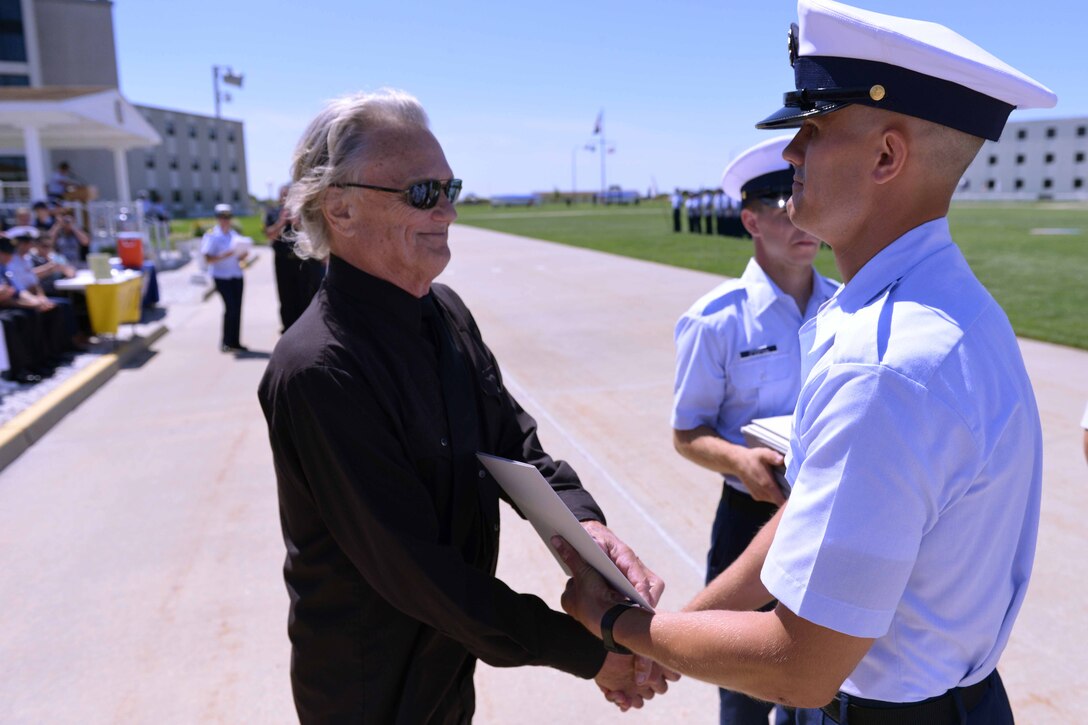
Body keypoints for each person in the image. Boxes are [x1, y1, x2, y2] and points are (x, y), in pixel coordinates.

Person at [558, 2, 1054, 723]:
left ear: (887, 157)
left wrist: (617, 628)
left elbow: (800, 666)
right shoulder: (941, 309)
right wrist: (679, 633)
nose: (791, 152)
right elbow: (810, 526)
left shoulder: (885, 365)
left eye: (814, 128)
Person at [257, 88, 673, 723]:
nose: (448, 211)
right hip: (370, 686)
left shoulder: (444, 311)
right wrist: (593, 651)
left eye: (451, 188)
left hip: (448, 659)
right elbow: (415, 571)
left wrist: (589, 536)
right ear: (339, 209)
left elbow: (513, 445)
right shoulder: (318, 368)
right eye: (424, 193)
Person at [672, 135, 839, 725]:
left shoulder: (848, 310)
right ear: (750, 219)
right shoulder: (715, 321)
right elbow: (687, 432)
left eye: (805, 196)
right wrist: (741, 461)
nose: (799, 215)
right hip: (749, 521)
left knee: (827, 680)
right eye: (779, 201)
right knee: (742, 685)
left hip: (830, 522)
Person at [264, 184, 325, 333]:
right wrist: (281, 222)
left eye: (288, 195)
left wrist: (298, 223)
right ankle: (288, 328)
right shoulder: (274, 213)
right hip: (283, 261)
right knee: (286, 295)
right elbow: (269, 235)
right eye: (283, 195)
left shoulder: (303, 212)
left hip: (304, 262)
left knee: (306, 294)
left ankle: (306, 328)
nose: (286, 199)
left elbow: (314, 234)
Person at [200, 203, 248, 353]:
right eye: (222, 217)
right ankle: (226, 342)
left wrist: (243, 254)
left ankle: (235, 341)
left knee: (237, 309)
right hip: (221, 276)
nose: (225, 220)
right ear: (217, 218)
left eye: (227, 217)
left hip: (236, 275)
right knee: (230, 308)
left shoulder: (234, 235)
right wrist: (224, 255)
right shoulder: (212, 235)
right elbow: (208, 258)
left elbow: (240, 254)